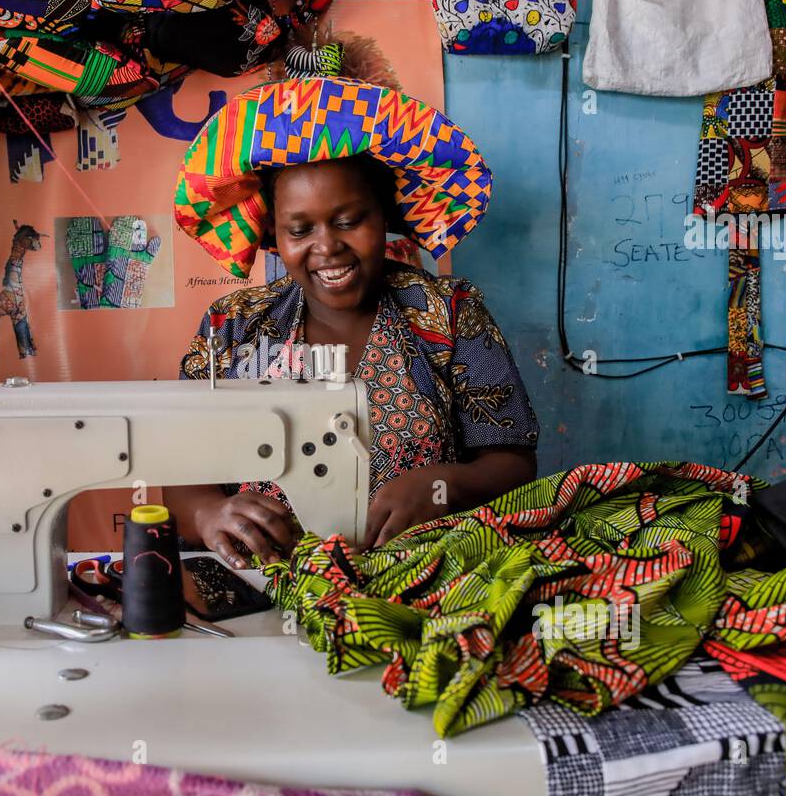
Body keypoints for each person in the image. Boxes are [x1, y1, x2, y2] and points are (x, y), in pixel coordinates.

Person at [166, 77, 539, 567]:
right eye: (300, 230)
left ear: (382, 216)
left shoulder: (449, 312)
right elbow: (179, 468)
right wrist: (208, 512)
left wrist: (443, 485)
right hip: (267, 582)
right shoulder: (233, 326)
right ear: (273, 236)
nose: (327, 247)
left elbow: (513, 463)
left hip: (427, 574)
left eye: (347, 221)